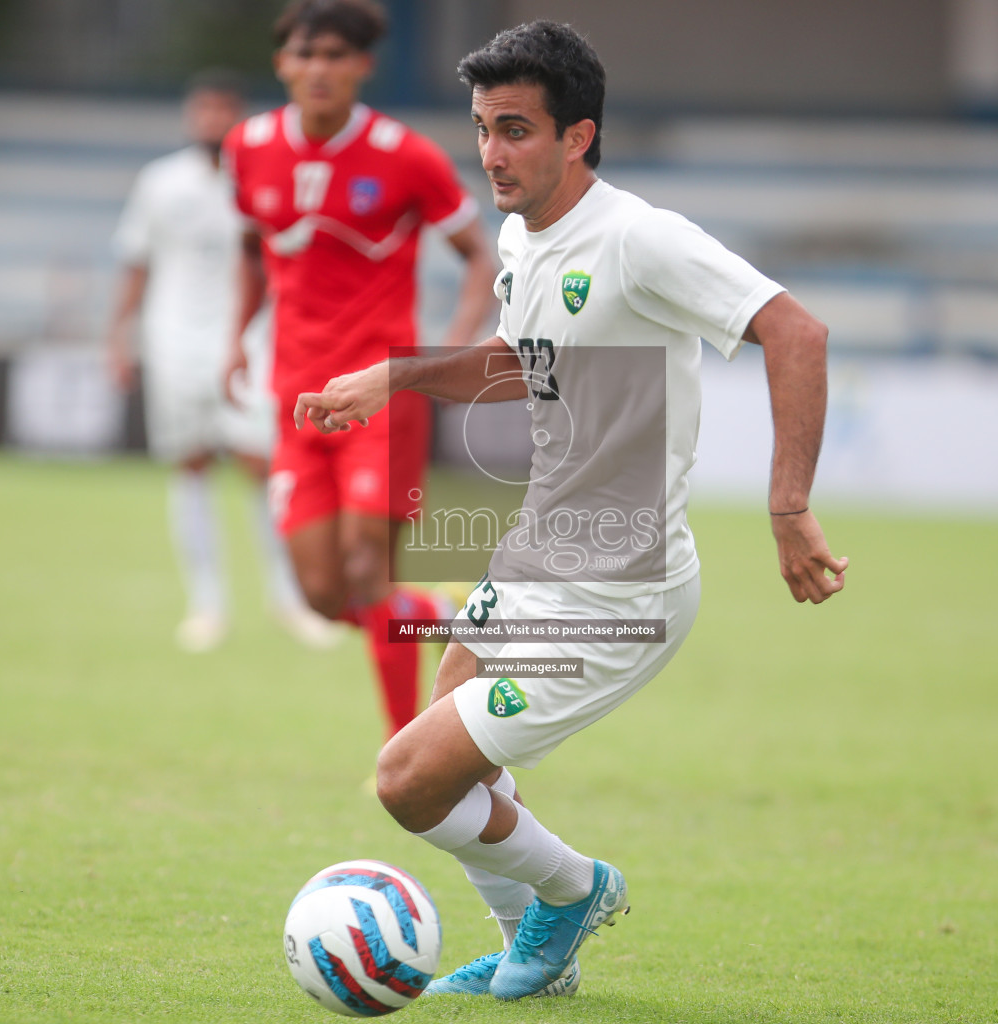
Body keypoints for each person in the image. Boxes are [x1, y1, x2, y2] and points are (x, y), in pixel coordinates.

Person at [293, 20, 849, 1002]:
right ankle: (536, 957)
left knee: (406, 780)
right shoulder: (521, 233)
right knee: (449, 765)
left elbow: (795, 330)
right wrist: (397, 375)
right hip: (539, 554)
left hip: (619, 588)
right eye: (483, 128)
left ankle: (576, 888)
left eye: (516, 130)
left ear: (577, 136)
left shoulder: (639, 239)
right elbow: (523, 361)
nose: (493, 154)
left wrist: (788, 505)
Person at [220, 0, 498, 738]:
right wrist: (234, 338)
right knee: (319, 593)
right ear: (281, 63)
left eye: (337, 56)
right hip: (295, 398)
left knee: (366, 567)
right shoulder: (246, 147)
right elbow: (253, 248)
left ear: (362, 66)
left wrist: (446, 357)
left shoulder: (405, 154)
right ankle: (444, 617)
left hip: (380, 395)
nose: (319, 70)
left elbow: (480, 259)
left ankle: (405, 755)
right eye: (305, 55)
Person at [108, 69, 331, 653]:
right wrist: (118, 336)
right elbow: (136, 263)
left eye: (223, 110)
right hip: (172, 338)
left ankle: (288, 599)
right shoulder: (160, 183)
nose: (212, 121)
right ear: (190, 115)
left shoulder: (263, 178)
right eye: (203, 109)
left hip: (251, 339)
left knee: (261, 464)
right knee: (191, 463)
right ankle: (206, 606)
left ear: (241, 117)